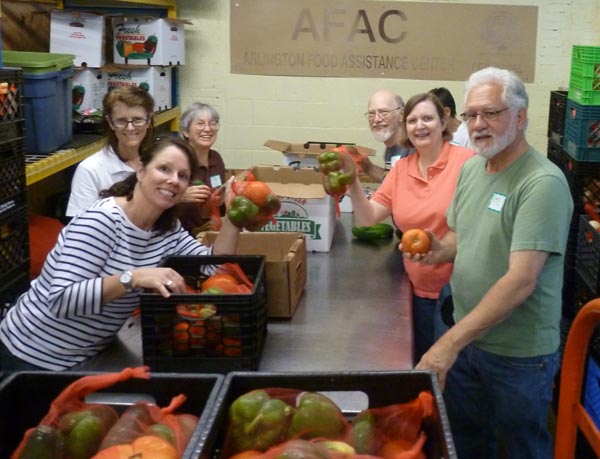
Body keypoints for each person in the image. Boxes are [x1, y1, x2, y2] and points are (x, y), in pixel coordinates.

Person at [414, 67, 573, 459]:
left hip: (519, 356)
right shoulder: (473, 168)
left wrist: (447, 344)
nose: (479, 124)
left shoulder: (542, 184)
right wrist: (440, 248)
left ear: (520, 117)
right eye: (471, 115)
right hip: (469, 341)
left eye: (492, 113)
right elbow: (462, 236)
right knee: (468, 443)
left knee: (523, 449)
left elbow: (521, 280)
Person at [0, 137, 240, 374]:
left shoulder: (167, 228)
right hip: (31, 355)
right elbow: (61, 300)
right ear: (141, 171)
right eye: (164, 168)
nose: (173, 180)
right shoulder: (101, 221)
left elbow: (215, 268)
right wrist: (132, 278)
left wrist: (234, 218)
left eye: (182, 175)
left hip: (90, 351)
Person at [346, 92, 474, 363]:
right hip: (419, 291)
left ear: (443, 121)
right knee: (424, 369)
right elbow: (368, 217)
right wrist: (351, 182)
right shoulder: (401, 170)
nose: (420, 126)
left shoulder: (467, 163)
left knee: (455, 377)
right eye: (413, 120)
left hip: (462, 294)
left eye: (428, 118)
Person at [66, 86, 155, 218]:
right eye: (121, 121)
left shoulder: (158, 161)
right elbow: (80, 228)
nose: (130, 128)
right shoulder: (90, 169)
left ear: (149, 120)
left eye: (137, 120)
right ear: (110, 123)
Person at [177, 102, 228, 234]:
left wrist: (222, 200)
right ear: (186, 131)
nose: (207, 129)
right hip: (178, 237)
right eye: (200, 124)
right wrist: (180, 197)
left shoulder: (216, 159)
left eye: (212, 123)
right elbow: (154, 200)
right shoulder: (176, 160)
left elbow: (218, 208)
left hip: (210, 233)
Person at [359, 89, 414, 182]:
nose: (376, 119)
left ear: (401, 115)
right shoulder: (391, 148)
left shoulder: (413, 147)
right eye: (372, 114)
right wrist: (367, 167)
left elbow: (405, 188)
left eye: (384, 112)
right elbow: (391, 179)